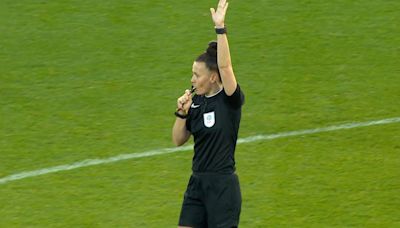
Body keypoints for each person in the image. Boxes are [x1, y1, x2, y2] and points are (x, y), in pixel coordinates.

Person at [172, 0, 244, 227]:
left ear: (212, 77)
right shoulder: (197, 103)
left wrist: (220, 28)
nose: (192, 79)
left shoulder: (229, 100)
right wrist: (181, 113)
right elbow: (177, 140)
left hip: (222, 188)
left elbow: (225, 67)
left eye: (197, 74)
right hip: (197, 184)